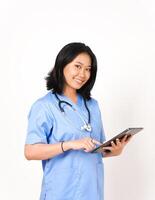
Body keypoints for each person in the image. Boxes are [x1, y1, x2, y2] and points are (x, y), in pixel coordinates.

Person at [24, 42, 132, 200]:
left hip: (92, 192)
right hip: (61, 192)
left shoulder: (92, 106)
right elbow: (30, 152)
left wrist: (114, 151)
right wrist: (69, 144)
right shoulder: (45, 106)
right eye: (78, 66)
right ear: (62, 65)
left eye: (88, 69)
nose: (83, 74)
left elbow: (95, 150)